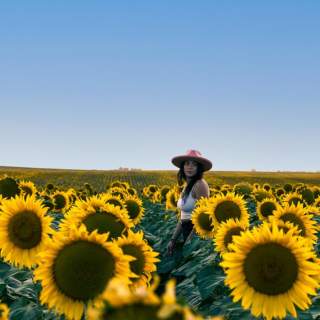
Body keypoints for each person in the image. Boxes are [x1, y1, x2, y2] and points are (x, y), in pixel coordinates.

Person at [167, 149, 212, 256]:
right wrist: (173, 239)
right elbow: (183, 216)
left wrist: (190, 240)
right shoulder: (187, 186)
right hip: (186, 229)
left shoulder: (200, 184)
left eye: (194, 164)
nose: (190, 167)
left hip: (196, 234)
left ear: (199, 168)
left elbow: (204, 216)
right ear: (182, 167)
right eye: (187, 163)